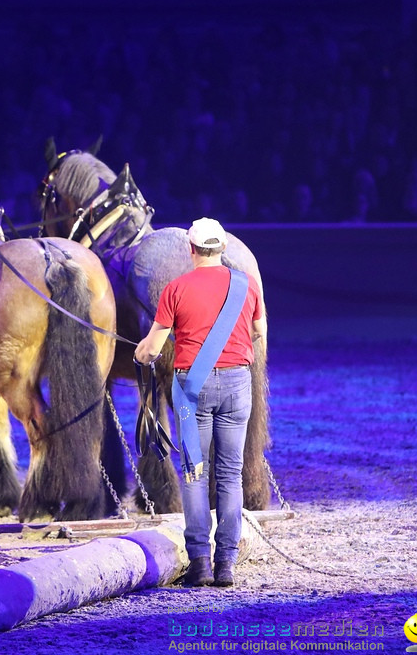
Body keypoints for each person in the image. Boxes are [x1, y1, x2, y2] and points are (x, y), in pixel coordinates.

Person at [134, 218, 266, 587]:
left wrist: (142, 352)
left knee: (195, 475)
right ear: (222, 248)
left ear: (191, 250)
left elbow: (153, 349)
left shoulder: (175, 289)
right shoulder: (247, 284)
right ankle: (226, 562)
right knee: (229, 473)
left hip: (192, 389)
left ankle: (200, 564)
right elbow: (258, 333)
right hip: (238, 385)